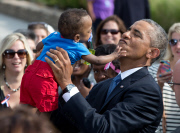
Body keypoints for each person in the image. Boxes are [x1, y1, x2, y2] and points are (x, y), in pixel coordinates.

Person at [47, 19, 168, 133]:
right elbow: (65, 125)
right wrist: (55, 81)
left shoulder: (147, 91)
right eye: (128, 30)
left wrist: (68, 85)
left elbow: (104, 129)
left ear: (152, 53)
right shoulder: (104, 85)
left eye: (136, 34)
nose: (125, 34)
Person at [20, 8, 126, 115]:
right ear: (77, 37)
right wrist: (114, 55)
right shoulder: (78, 47)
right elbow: (97, 60)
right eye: (89, 30)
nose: (91, 32)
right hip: (45, 80)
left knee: (26, 110)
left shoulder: (54, 35)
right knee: (47, 114)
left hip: (30, 74)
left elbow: (38, 46)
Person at [148, 23, 180, 133]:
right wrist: (159, 86)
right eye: (173, 42)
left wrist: (174, 85)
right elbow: (147, 104)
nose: (178, 46)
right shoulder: (154, 70)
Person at [0, 33, 33, 109]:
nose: (16, 57)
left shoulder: (36, 87)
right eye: (9, 53)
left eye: (21, 53)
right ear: (3, 58)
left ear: (27, 57)